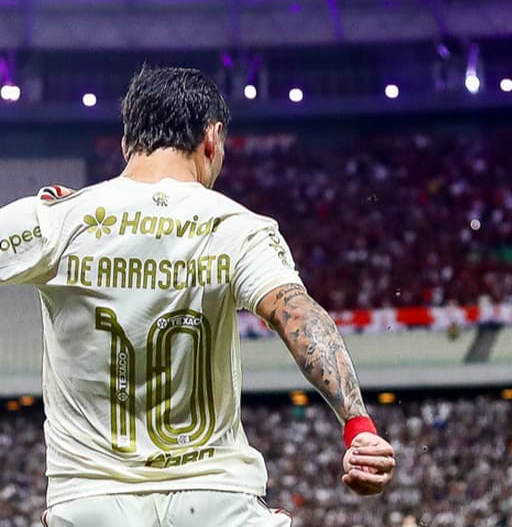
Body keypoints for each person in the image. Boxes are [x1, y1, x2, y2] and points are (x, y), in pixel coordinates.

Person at [0, 67, 395, 525]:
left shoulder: (59, 219)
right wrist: (358, 425)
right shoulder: (236, 227)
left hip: (90, 502)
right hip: (215, 499)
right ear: (212, 137)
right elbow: (297, 314)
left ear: (129, 141)